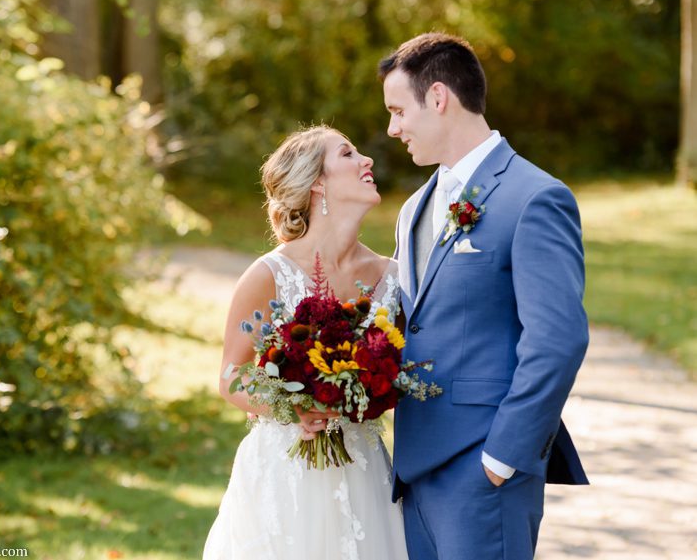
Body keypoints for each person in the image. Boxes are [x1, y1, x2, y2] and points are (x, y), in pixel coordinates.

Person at [380, 32, 590, 560]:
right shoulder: (414, 210)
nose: (392, 128)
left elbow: (557, 340)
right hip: (414, 468)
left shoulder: (535, 198)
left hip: (483, 470)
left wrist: (501, 459)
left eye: (398, 110)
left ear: (438, 98)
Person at [202, 125, 409, 560]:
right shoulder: (268, 275)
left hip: (363, 464)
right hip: (286, 468)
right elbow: (231, 377)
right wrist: (293, 405)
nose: (367, 161)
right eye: (349, 154)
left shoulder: (395, 277)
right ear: (317, 182)